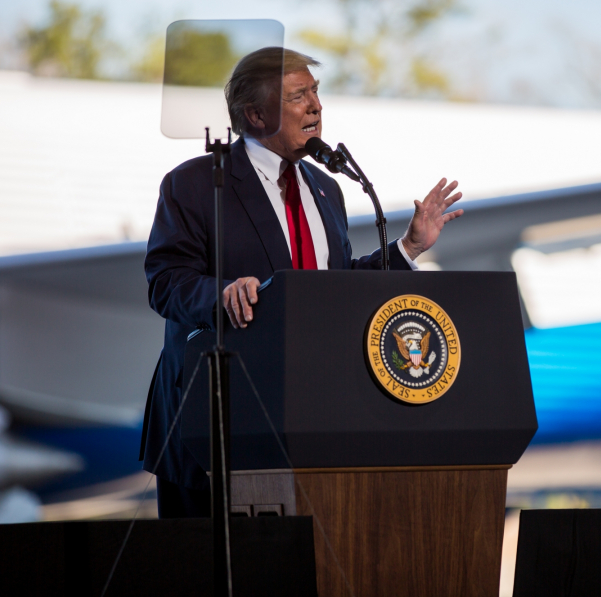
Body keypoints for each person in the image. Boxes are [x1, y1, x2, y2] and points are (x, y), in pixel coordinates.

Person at [140, 47, 463, 518]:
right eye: (298, 96)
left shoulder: (325, 187)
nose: (316, 106)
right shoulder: (196, 182)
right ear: (255, 114)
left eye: (315, 92)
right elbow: (166, 281)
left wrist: (408, 248)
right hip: (217, 420)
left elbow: (332, 289)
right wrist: (222, 294)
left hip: (314, 418)